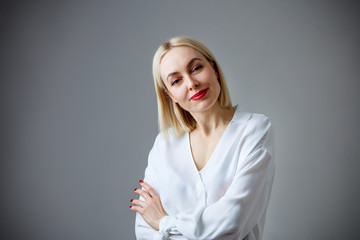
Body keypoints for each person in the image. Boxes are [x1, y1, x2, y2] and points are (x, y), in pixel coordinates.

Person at [129, 36, 275, 240]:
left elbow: (232, 224)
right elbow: (144, 232)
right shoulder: (164, 145)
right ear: (169, 95)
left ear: (214, 69)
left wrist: (163, 222)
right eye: (176, 80)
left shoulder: (253, 129)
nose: (191, 84)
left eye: (196, 68)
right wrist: (209, 224)